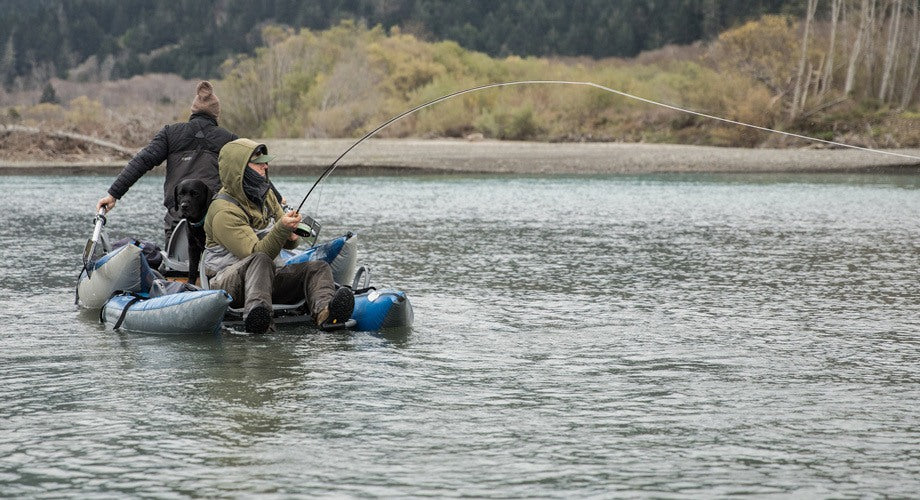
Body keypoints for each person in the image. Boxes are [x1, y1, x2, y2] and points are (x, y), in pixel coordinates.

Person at [202, 138, 354, 334]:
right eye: (258, 163)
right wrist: (281, 229)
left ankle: (326, 314)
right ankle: (259, 318)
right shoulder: (224, 211)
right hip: (227, 284)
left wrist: (292, 235)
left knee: (317, 268)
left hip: (266, 276)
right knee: (259, 260)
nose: (265, 166)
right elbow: (255, 253)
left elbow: (289, 244)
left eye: (265, 162)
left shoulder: (266, 196)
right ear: (240, 169)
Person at [95, 81, 237, 242]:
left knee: (176, 256)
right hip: (215, 219)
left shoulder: (170, 134)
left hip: (177, 215)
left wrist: (114, 194)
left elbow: (142, 161)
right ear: (216, 114)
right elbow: (249, 174)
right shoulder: (229, 140)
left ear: (193, 111)